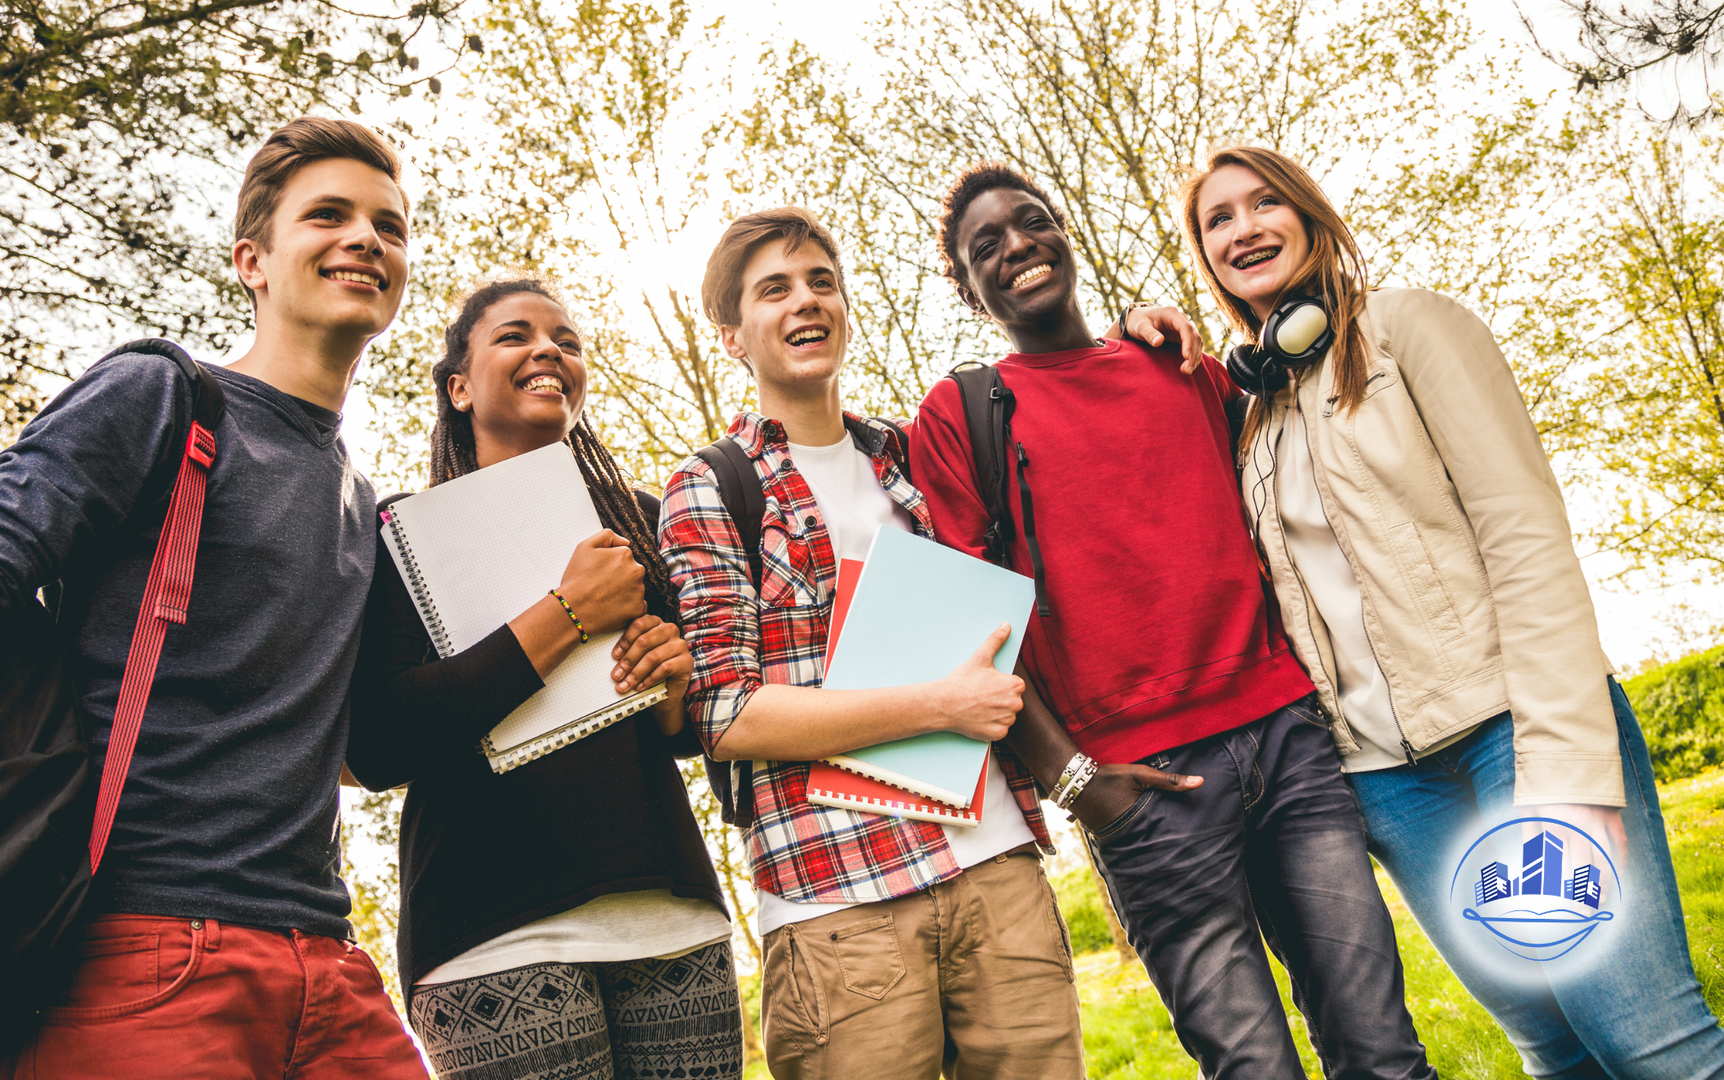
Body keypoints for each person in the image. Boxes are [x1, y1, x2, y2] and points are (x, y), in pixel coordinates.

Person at [0, 117, 429, 1078]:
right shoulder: (166, 397)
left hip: (333, 972)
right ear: (252, 260)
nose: (366, 240)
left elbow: (327, 746)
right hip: (147, 954)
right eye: (330, 216)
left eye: (389, 227)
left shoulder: (363, 501)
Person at [1182, 144, 1724, 1079]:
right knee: (1551, 1047)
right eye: (1217, 219)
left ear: (1310, 216)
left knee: (1648, 1043)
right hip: (1390, 786)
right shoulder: (1252, 420)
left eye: (1264, 203)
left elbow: (1525, 538)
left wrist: (1566, 764)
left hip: (1513, 735)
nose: (1244, 229)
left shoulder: (1410, 329)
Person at [907, 161, 1438, 1080]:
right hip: (1144, 792)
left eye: (1031, 222)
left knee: (1382, 1051)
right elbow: (966, 633)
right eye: (984, 246)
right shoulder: (960, 415)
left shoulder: (1176, 364)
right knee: (1251, 1068)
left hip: (1286, 740)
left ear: (1063, 231)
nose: (1017, 248)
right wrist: (1075, 781)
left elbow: (1292, 485)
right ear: (966, 285)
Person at [659, 206, 1197, 1079]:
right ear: (732, 336)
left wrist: (1128, 338)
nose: (806, 302)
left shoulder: (916, 453)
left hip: (997, 872)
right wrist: (940, 707)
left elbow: (1073, 454)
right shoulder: (712, 487)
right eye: (775, 291)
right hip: (839, 907)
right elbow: (725, 713)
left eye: (821, 282)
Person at [347, 277, 742, 1080]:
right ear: (458, 386)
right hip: (492, 931)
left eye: (567, 340)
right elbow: (379, 742)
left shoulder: (634, 518)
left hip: (668, 915)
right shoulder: (401, 537)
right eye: (515, 335)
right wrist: (566, 613)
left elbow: (680, 738)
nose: (548, 351)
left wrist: (671, 692)